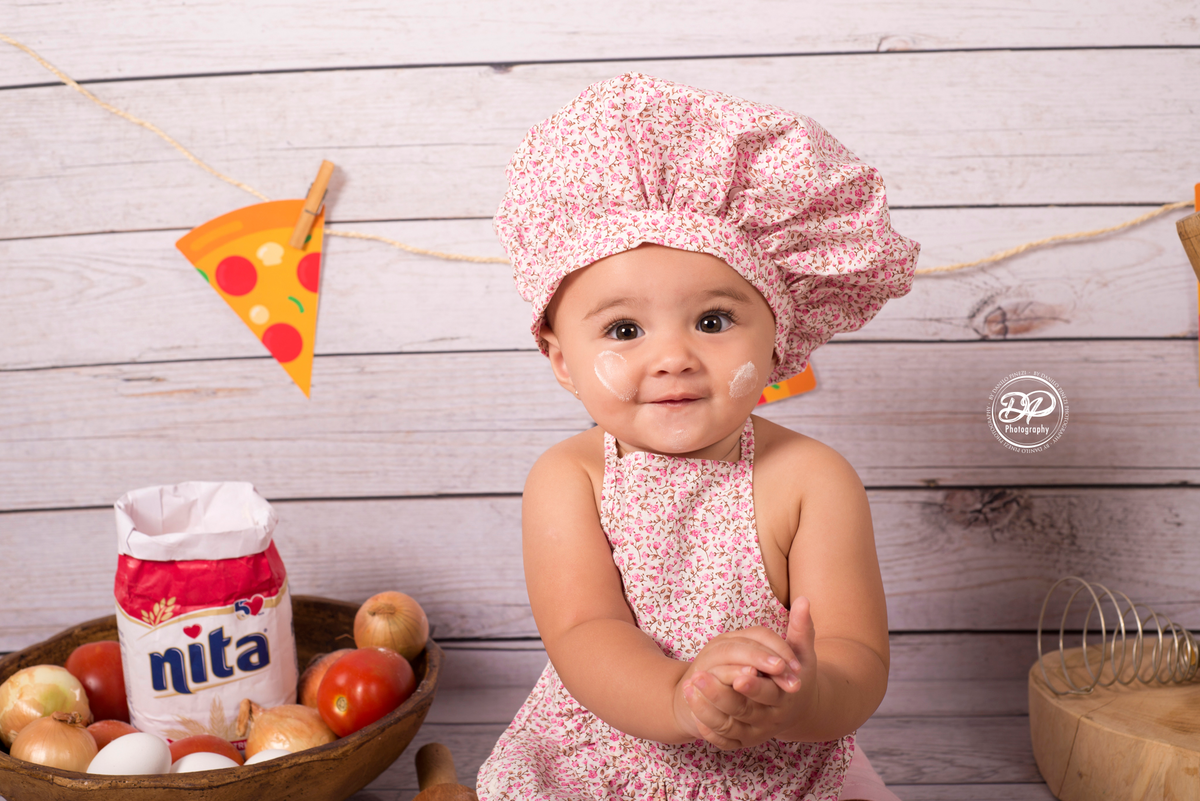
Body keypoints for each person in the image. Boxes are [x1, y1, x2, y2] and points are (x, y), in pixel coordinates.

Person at [476, 72, 919, 801]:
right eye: (624, 329)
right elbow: (584, 629)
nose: (674, 356)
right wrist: (681, 694)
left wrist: (802, 701)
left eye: (713, 321)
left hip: (784, 764)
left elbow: (856, 654)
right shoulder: (571, 477)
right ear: (561, 359)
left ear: (780, 337)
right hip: (608, 752)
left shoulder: (811, 477)